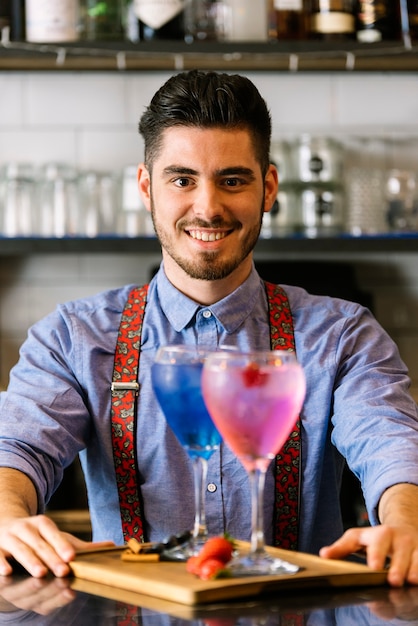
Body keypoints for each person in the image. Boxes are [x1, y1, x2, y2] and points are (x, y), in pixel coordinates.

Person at [0, 70, 417, 588]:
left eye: (233, 180)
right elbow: (17, 448)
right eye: (182, 179)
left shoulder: (343, 334)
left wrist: (408, 523)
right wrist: (6, 516)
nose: (208, 207)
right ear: (147, 188)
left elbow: (391, 444)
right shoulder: (71, 338)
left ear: (267, 189)